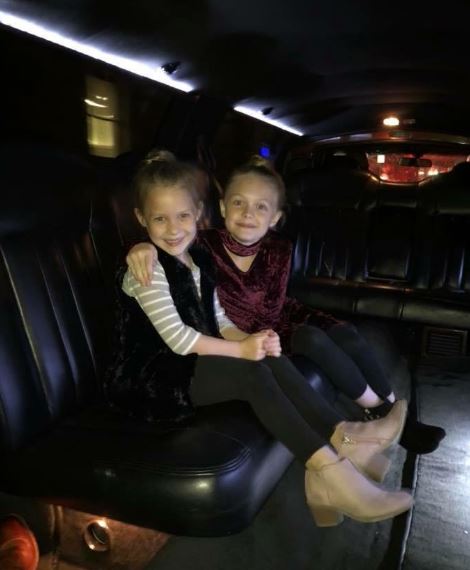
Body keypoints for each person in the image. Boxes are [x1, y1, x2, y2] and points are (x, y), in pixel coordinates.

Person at [105, 151, 413, 528]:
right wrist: (240, 350)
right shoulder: (147, 269)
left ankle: (346, 440)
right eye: (159, 219)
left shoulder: (198, 259)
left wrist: (254, 342)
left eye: (182, 216)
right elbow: (178, 340)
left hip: (191, 361)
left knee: (264, 356)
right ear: (141, 219)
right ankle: (331, 475)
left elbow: (219, 318)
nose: (173, 229)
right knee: (251, 372)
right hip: (153, 377)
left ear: (199, 214)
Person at [126, 155, 446, 455]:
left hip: (275, 319)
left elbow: (276, 305)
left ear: (276, 218)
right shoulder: (202, 243)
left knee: (342, 333)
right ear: (222, 207)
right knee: (312, 340)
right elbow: (169, 237)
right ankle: (382, 419)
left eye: (260, 207)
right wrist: (140, 246)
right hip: (239, 331)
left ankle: (393, 415)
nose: (248, 214)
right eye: (238, 203)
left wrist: (281, 330)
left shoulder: (279, 249)